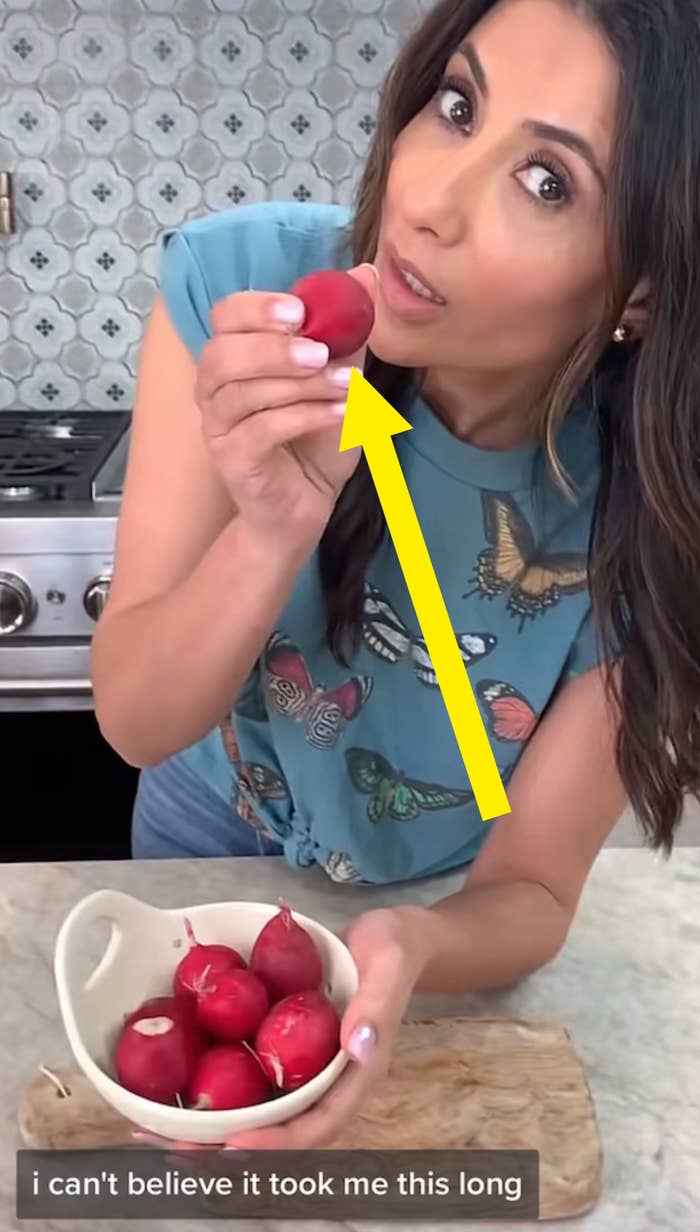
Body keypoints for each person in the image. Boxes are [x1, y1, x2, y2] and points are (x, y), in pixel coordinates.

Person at [92, 0, 700, 1149]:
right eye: (455, 106)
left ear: (642, 293)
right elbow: (133, 715)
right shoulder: (245, 288)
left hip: (441, 889)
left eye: (547, 183)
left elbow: (532, 886)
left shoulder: (655, 497)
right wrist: (268, 529)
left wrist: (416, 943)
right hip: (212, 817)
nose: (425, 200)